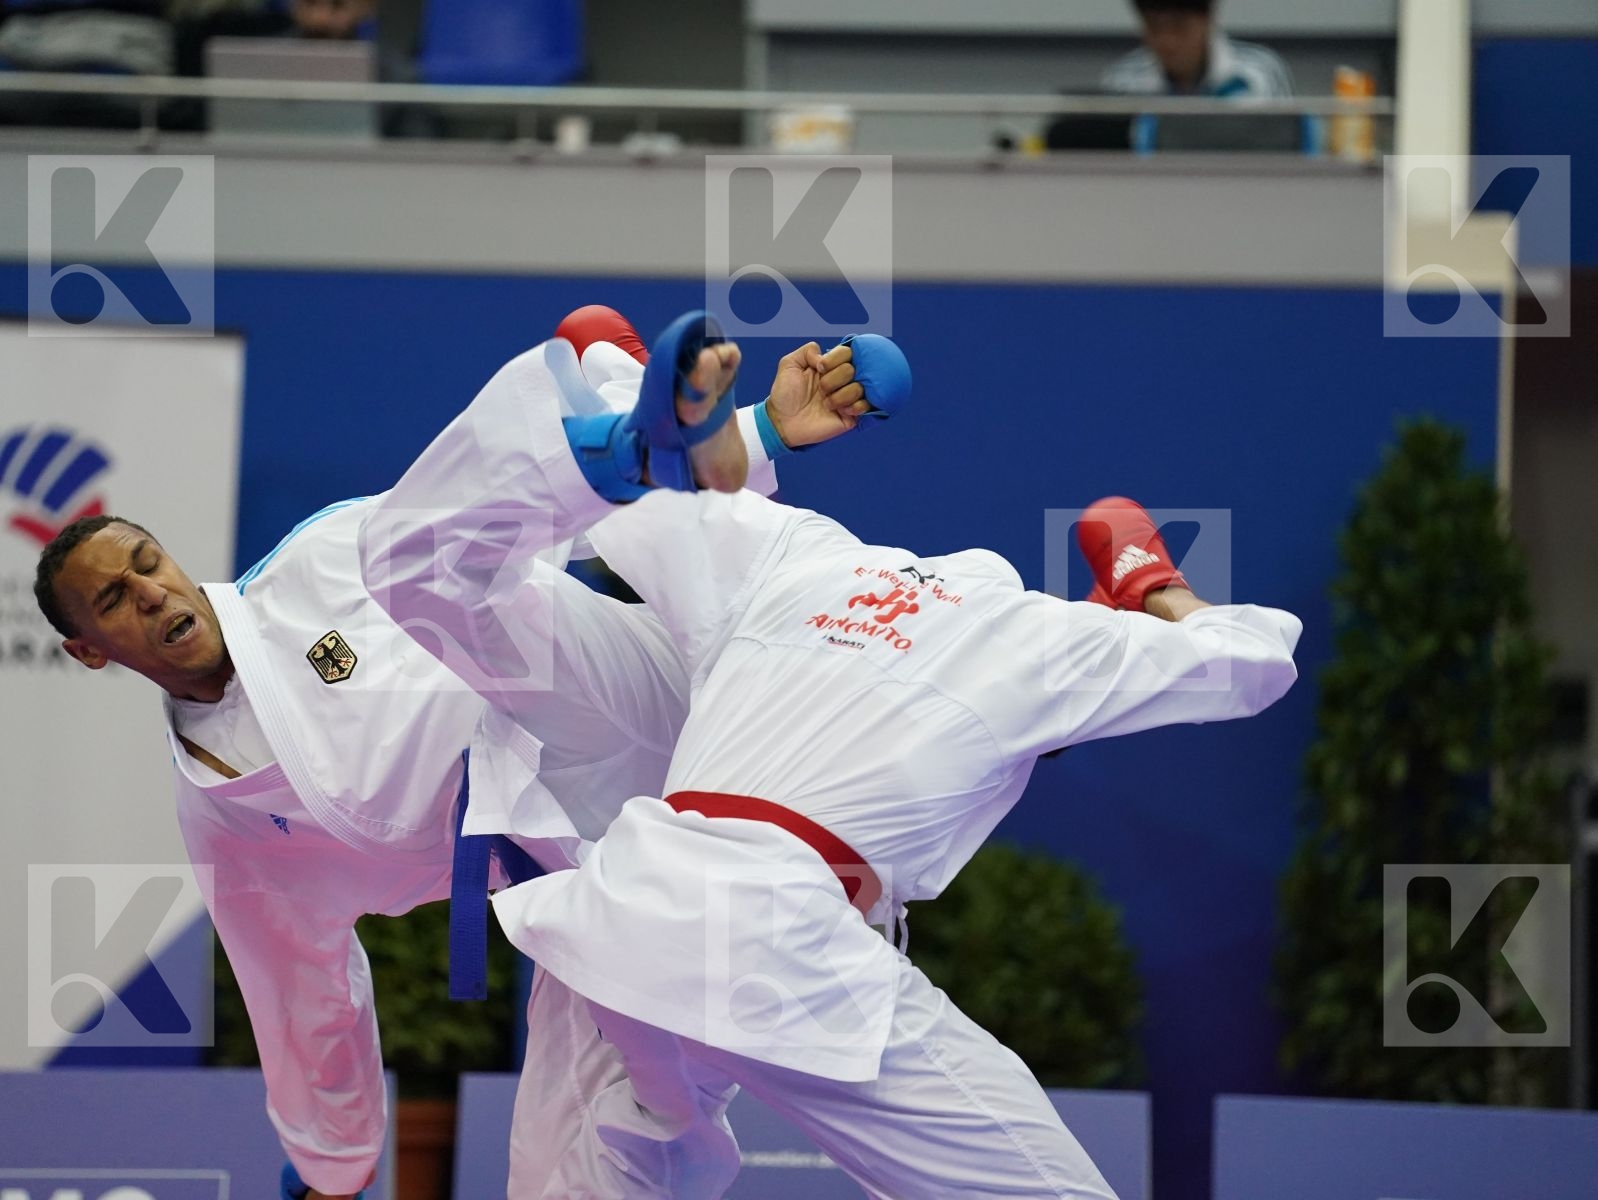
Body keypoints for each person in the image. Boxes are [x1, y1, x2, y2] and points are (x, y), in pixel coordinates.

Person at [363, 307, 1302, 1197]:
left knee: (639, 1149)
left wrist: (631, 367)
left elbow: (656, 475)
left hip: (631, 905)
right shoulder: (1032, 637)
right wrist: (1152, 584)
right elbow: (1254, 662)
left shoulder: (794, 557)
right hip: (785, 943)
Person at [30, 308, 886, 1200]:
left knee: (431, 554)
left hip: (610, 694)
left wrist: (756, 435)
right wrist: (336, 1161)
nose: (153, 593)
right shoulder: (227, 821)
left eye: (149, 563)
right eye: (117, 600)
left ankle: (670, 422)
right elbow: (302, 998)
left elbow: (515, 528)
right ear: (90, 649)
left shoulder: (319, 562)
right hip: (595, 866)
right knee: (566, 1174)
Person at [1101, 0, 1294, 99]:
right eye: (1154, 27)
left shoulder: (1260, 74)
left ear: (1208, 19)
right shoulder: (1123, 82)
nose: (1167, 41)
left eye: (1179, 27)